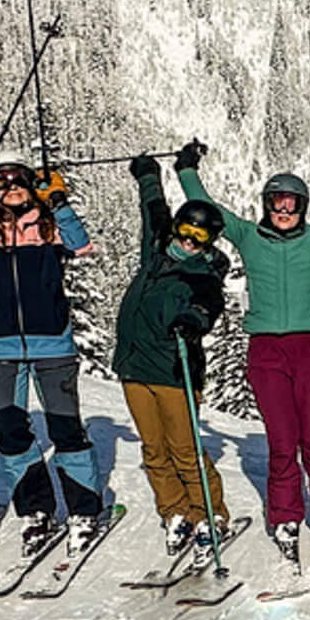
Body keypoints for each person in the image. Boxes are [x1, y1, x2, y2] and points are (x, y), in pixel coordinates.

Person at [177, 141, 310, 572]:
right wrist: (186, 170)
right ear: (267, 205)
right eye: (277, 202)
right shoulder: (249, 237)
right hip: (266, 350)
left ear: (303, 207)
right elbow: (208, 208)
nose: (284, 210)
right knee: (280, 440)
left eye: (291, 203)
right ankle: (287, 516)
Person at [0, 149, 104, 554]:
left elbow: (81, 245)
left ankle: (83, 510)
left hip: (53, 343)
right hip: (0, 348)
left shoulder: (46, 224)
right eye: (1, 181)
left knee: (66, 430)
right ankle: (36, 510)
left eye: (18, 179)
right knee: (13, 435)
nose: (11, 187)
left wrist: (60, 203)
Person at [114, 155, 231, 554]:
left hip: (173, 371)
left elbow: (208, 307)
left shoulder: (205, 276)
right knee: (153, 449)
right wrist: (148, 174)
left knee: (184, 449)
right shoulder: (156, 251)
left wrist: (192, 320)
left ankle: (210, 512)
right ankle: (175, 511)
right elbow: (154, 210)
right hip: (134, 368)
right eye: (185, 231)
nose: (189, 241)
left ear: (209, 243)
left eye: (199, 238)